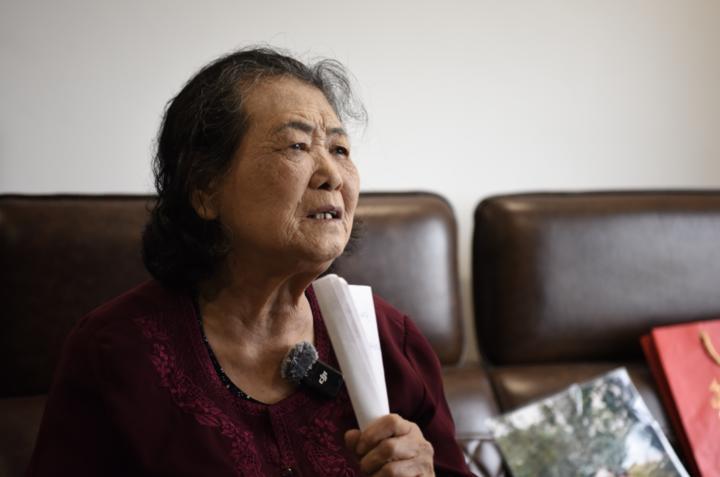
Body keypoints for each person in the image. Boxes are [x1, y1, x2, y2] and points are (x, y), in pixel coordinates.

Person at [27, 47, 473, 476]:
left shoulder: (392, 341)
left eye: (339, 149)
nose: (332, 175)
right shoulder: (114, 352)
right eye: (297, 145)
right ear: (205, 189)